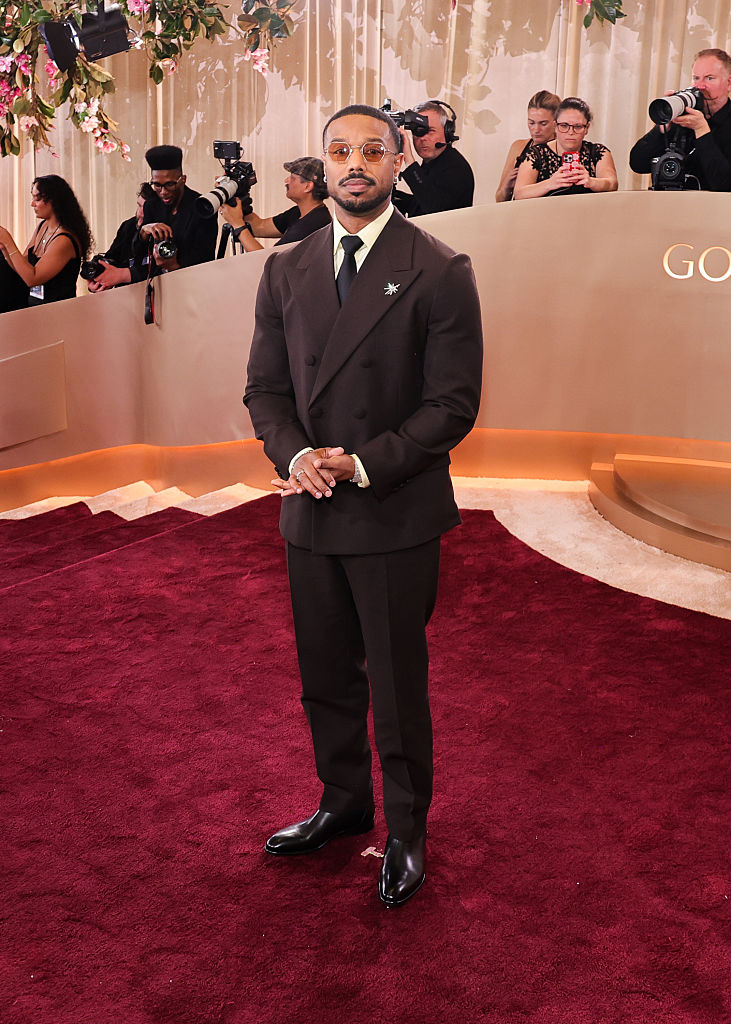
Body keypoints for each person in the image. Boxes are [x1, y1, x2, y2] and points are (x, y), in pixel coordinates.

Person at [244, 103, 483, 908]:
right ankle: (343, 806)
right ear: (321, 165)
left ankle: (407, 832)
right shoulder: (285, 267)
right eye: (339, 151)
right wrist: (299, 455)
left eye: (371, 151)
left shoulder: (440, 267)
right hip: (308, 508)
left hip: (392, 511)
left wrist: (359, 464)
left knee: (394, 681)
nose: (355, 163)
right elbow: (266, 390)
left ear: (397, 162)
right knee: (323, 679)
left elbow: (451, 407)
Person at [629, 48, 731, 191]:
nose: (700, 86)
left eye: (709, 78)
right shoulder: (684, 116)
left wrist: (701, 130)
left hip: (713, 209)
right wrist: (664, 125)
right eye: (696, 78)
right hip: (670, 206)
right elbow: (638, 164)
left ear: (729, 82)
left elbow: (725, 184)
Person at [0, 174, 92, 305]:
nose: (32, 204)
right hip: (33, 303)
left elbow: (32, 279)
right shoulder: (42, 226)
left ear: (54, 201)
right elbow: (22, 267)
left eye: (37, 199)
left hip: (56, 309)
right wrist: (4, 249)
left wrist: (9, 242)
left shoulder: (64, 240)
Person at [131, 145, 217, 275]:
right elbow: (136, 252)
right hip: (157, 284)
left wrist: (173, 266)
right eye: (157, 185)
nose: (163, 192)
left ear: (183, 179)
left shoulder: (203, 207)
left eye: (169, 184)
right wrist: (144, 230)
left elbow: (206, 259)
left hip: (192, 282)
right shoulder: (151, 205)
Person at [513, 97, 618, 199]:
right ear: (555, 127)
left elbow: (612, 183)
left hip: (588, 213)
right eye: (564, 126)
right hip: (545, 214)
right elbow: (519, 193)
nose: (570, 132)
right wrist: (550, 183)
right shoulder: (536, 154)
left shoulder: (598, 152)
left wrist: (591, 182)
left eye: (578, 127)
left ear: (587, 128)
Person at [220, 156, 331, 252]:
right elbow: (259, 226)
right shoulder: (300, 213)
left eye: (292, 177)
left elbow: (266, 262)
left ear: (307, 186)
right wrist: (237, 196)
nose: (286, 181)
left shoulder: (312, 225)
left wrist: (238, 225)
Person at [394, 100, 474, 216]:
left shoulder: (456, 167)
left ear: (447, 132)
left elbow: (434, 208)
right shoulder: (432, 163)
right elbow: (421, 202)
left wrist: (408, 159)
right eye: (418, 131)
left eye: (430, 131)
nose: (423, 138)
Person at [87, 182, 156, 291]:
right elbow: (112, 259)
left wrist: (123, 275)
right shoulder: (128, 227)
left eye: (147, 208)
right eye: (139, 206)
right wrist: (99, 281)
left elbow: (161, 271)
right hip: (123, 298)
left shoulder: (165, 231)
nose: (140, 213)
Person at [495, 89, 561, 202]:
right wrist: (507, 187)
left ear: (556, 123)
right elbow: (499, 199)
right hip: (519, 213)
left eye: (543, 123)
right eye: (531, 123)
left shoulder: (564, 149)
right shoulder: (518, 147)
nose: (536, 129)